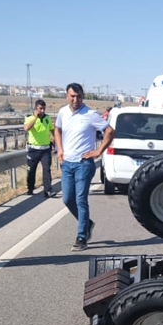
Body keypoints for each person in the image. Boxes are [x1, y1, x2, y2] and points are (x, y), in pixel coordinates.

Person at [54, 83, 112, 251]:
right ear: (67, 96)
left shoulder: (91, 114)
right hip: (67, 163)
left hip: (84, 164)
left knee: (80, 200)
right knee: (67, 199)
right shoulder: (62, 112)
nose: (75, 99)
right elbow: (57, 130)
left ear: (82, 96)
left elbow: (110, 131)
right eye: (72, 96)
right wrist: (60, 149)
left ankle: (82, 236)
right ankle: (87, 223)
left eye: (78, 96)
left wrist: (99, 151)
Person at [23, 99, 54, 197]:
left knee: (47, 170)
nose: (42, 111)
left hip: (45, 149)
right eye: (40, 109)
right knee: (31, 170)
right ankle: (30, 188)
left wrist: (55, 142)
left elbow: (52, 130)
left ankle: (48, 190)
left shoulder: (47, 118)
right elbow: (26, 128)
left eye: (44, 109)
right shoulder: (29, 118)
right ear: (36, 108)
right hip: (33, 149)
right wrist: (35, 118)